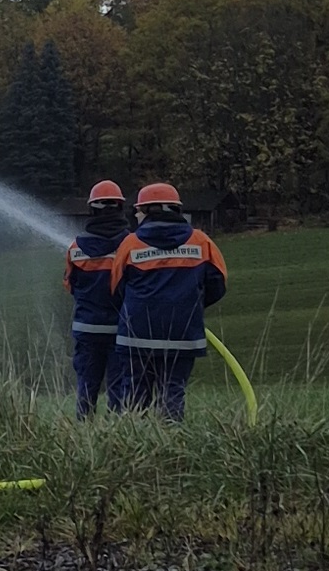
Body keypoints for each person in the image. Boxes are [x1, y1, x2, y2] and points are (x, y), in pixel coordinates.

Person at [109, 183, 228, 421]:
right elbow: (219, 284)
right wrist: (190, 305)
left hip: (136, 336)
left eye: (139, 210)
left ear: (152, 210)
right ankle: (172, 446)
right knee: (173, 392)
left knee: (134, 395)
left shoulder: (130, 244)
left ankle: (130, 449)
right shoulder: (201, 242)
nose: (135, 215)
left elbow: (116, 288)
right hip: (183, 335)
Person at [65, 180, 133, 417]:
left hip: (87, 328)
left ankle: (84, 434)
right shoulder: (131, 245)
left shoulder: (75, 247)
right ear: (120, 208)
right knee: (119, 387)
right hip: (121, 329)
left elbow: (70, 285)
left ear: (92, 209)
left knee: (86, 385)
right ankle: (117, 437)